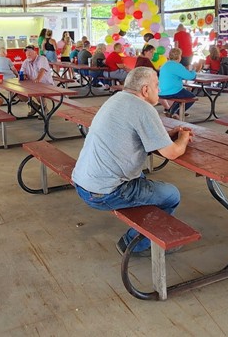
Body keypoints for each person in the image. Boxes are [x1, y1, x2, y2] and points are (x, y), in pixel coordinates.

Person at [70, 67, 193, 257]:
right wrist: (183, 138)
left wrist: (166, 136)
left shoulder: (115, 99)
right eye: (156, 85)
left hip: (82, 183)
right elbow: (171, 153)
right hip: (106, 193)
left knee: (144, 180)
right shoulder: (143, 108)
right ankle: (133, 243)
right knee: (171, 195)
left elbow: (135, 135)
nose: (159, 89)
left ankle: (145, 224)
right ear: (145, 90)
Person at [158, 48, 197, 117]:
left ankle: (172, 111)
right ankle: (177, 113)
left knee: (181, 96)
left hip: (161, 91)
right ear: (179, 57)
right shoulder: (177, 66)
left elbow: (173, 76)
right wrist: (194, 70)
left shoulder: (165, 65)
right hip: (172, 91)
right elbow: (190, 77)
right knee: (191, 98)